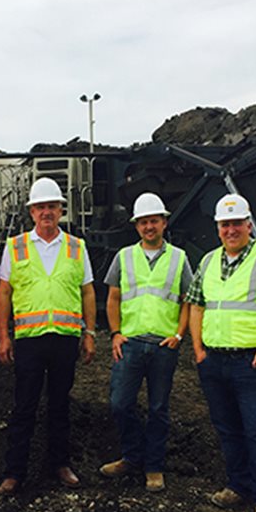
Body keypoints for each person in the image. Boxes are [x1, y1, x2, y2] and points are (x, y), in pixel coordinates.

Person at [185, 193, 256, 512]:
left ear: (248, 224)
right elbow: (196, 305)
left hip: (252, 363)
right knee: (228, 428)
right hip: (214, 361)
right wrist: (198, 350)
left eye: (236, 223)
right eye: (225, 225)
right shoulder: (208, 261)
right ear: (217, 227)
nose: (230, 230)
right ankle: (238, 485)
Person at [0, 177, 96, 495]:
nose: (46, 212)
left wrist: (90, 333)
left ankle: (60, 464)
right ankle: (14, 472)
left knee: (60, 404)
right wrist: (3, 336)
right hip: (29, 339)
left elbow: (88, 292)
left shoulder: (76, 247)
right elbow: (4, 293)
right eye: (40, 207)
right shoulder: (15, 246)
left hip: (65, 338)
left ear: (61, 210)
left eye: (52, 206)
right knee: (24, 406)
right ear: (32, 212)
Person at [98, 192, 192, 493]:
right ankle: (131, 456)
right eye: (143, 222)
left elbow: (188, 300)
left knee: (158, 408)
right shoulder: (124, 257)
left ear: (164, 223)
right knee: (120, 403)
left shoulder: (179, 258)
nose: (148, 227)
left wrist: (179, 335)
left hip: (164, 346)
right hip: (131, 344)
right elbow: (113, 298)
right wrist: (115, 333)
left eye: (153, 221)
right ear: (136, 226)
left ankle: (154, 467)